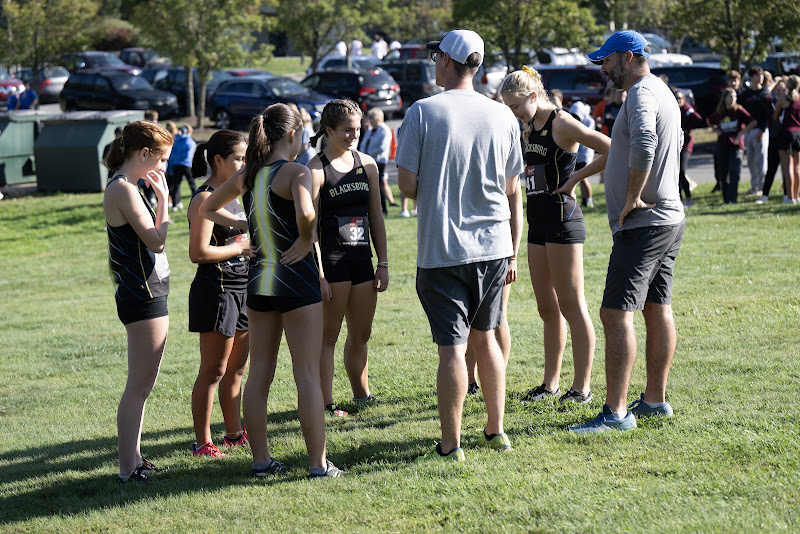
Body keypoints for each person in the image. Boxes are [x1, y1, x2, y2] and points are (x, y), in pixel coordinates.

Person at [396, 29, 524, 459]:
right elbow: (510, 186)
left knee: (451, 347)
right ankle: (496, 430)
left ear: (447, 62)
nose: (434, 63)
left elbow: (407, 186)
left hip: (444, 248)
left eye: (436, 57)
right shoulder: (504, 114)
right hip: (493, 245)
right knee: (486, 337)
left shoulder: (422, 112)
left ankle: (451, 445)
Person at [200, 103, 342, 478]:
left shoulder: (250, 174)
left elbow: (208, 208)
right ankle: (318, 464)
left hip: (258, 284)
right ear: (293, 135)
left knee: (260, 372)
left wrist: (248, 221)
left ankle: (261, 461)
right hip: (296, 281)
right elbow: (307, 213)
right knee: (307, 375)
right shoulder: (295, 170)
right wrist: (306, 236)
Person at [570, 30, 686, 434]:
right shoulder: (661, 91)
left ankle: (615, 413)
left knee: (615, 313)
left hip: (645, 223)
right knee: (656, 308)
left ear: (626, 56)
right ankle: (655, 401)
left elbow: (646, 142)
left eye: (606, 60)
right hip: (668, 220)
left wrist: (633, 197)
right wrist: (576, 179)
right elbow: (629, 149)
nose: (602, 68)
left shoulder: (639, 94)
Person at [499, 66, 610, 406]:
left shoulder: (561, 123)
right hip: (538, 224)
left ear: (534, 96)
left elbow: (609, 147)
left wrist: (576, 179)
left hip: (564, 222)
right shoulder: (528, 127)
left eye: (517, 106)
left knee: (572, 306)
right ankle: (550, 385)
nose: (514, 114)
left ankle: (582, 388)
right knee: (547, 308)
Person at [307, 99, 389, 417]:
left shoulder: (366, 163)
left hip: (362, 262)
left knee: (361, 333)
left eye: (358, 129)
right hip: (333, 261)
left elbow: (376, 218)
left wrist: (382, 262)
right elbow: (310, 228)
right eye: (347, 130)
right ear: (329, 130)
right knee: (328, 336)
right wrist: (320, 274)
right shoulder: (315, 169)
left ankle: (361, 394)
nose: (354, 135)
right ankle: (326, 404)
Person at [103, 120, 174, 481]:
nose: (163, 168)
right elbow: (156, 241)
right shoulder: (124, 190)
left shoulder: (130, 185)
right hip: (141, 294)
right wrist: (163, 200)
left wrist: (159, 200)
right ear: (144, 154)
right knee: (140, 383)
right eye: (161, 160)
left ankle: (134, 459)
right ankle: (127, 468)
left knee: (143, 382)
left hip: (147, 291)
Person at [187, 130, 251, 458]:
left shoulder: (239, 195)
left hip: (243, 289)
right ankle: (202, 443)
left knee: (237, 369)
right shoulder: (204, 198)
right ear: (218, 161)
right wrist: (238, 246)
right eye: (239, 159)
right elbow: (198, 253)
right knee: (214, 370)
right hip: (216, 290)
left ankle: (234, 434)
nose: (244, 165)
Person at [706, 89, 757, 204]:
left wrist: (741, 133)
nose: (733, 98)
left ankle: (733, 199)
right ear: (724, 98)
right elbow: (709, 121)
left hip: (736, 146)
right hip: (722, 145)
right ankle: (726, 199)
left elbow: (753, 122)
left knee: (734, 171)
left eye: (734, 96)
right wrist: (716, 130)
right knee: (723, 173)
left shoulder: (739, 110)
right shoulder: (719, 112)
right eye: (730, 96)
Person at [740, 66, 774, 197]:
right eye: (757, 75)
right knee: (750, 161)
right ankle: (754, 186)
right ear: (751, 77)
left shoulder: (765, 93)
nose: (760, 77)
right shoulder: (746, 94)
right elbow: (741, 112)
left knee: (761, 161)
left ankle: (761, 186)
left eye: (761, 75)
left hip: (761, 131)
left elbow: (768, 114)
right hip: (748, 131)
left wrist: (763, 129)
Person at [361, 108, 396, 213]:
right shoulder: (370, 130)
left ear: (377, 118)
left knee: (378, 184)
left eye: (371, 117)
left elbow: (382, 147)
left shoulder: (384, 130)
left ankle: (383, 208)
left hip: (379, 161)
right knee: (368, 184)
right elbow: (363, 144)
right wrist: (362, 156)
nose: (369, 120)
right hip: (367, 161)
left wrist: (368, 155)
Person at [675, 90, 705, 206]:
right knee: (675, 173)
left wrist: (687, 128)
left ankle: (688, 198)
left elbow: (698, 119)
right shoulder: (673, 110)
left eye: (680, 98)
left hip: (686, 145)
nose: (678, 101)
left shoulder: (687, 110)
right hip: (675, 145)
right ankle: (679, 199)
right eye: (676, 98)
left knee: (681, 171)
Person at [760, 77, 787, 204]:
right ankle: (765, 195)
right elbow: (764, 95)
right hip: (774, 138)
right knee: (771, 168)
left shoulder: (790, 103)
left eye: (782, 90)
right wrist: (774, 82)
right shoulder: (772, 103)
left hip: (787, 139)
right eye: (778, 90)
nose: (780, 92)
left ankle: (788, 194)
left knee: (787, 169)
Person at [774, 74, 800, 204]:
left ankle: (790, 198)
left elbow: (776, 116)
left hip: (786, 133)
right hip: (798, 134)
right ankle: (796, 196)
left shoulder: (783, 99)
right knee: (797, 168)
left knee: (787, 168)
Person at [569, 100, 596, 209]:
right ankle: (583, 200)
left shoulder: (589, 121)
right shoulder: (573, 121)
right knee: (576, 178)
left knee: (583, 178)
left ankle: (588, 200)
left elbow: (585, 138)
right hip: (577, 152)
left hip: (584, 153)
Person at [169, 124, 197, 211]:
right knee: (191, 184)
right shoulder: (191, 142)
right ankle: (196, 202)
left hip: (177, 164)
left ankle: (175, 205)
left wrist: (176, 157)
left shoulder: (177, 141)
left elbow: (173, 154)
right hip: (186, 165)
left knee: (177, 185)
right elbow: (187, 155)